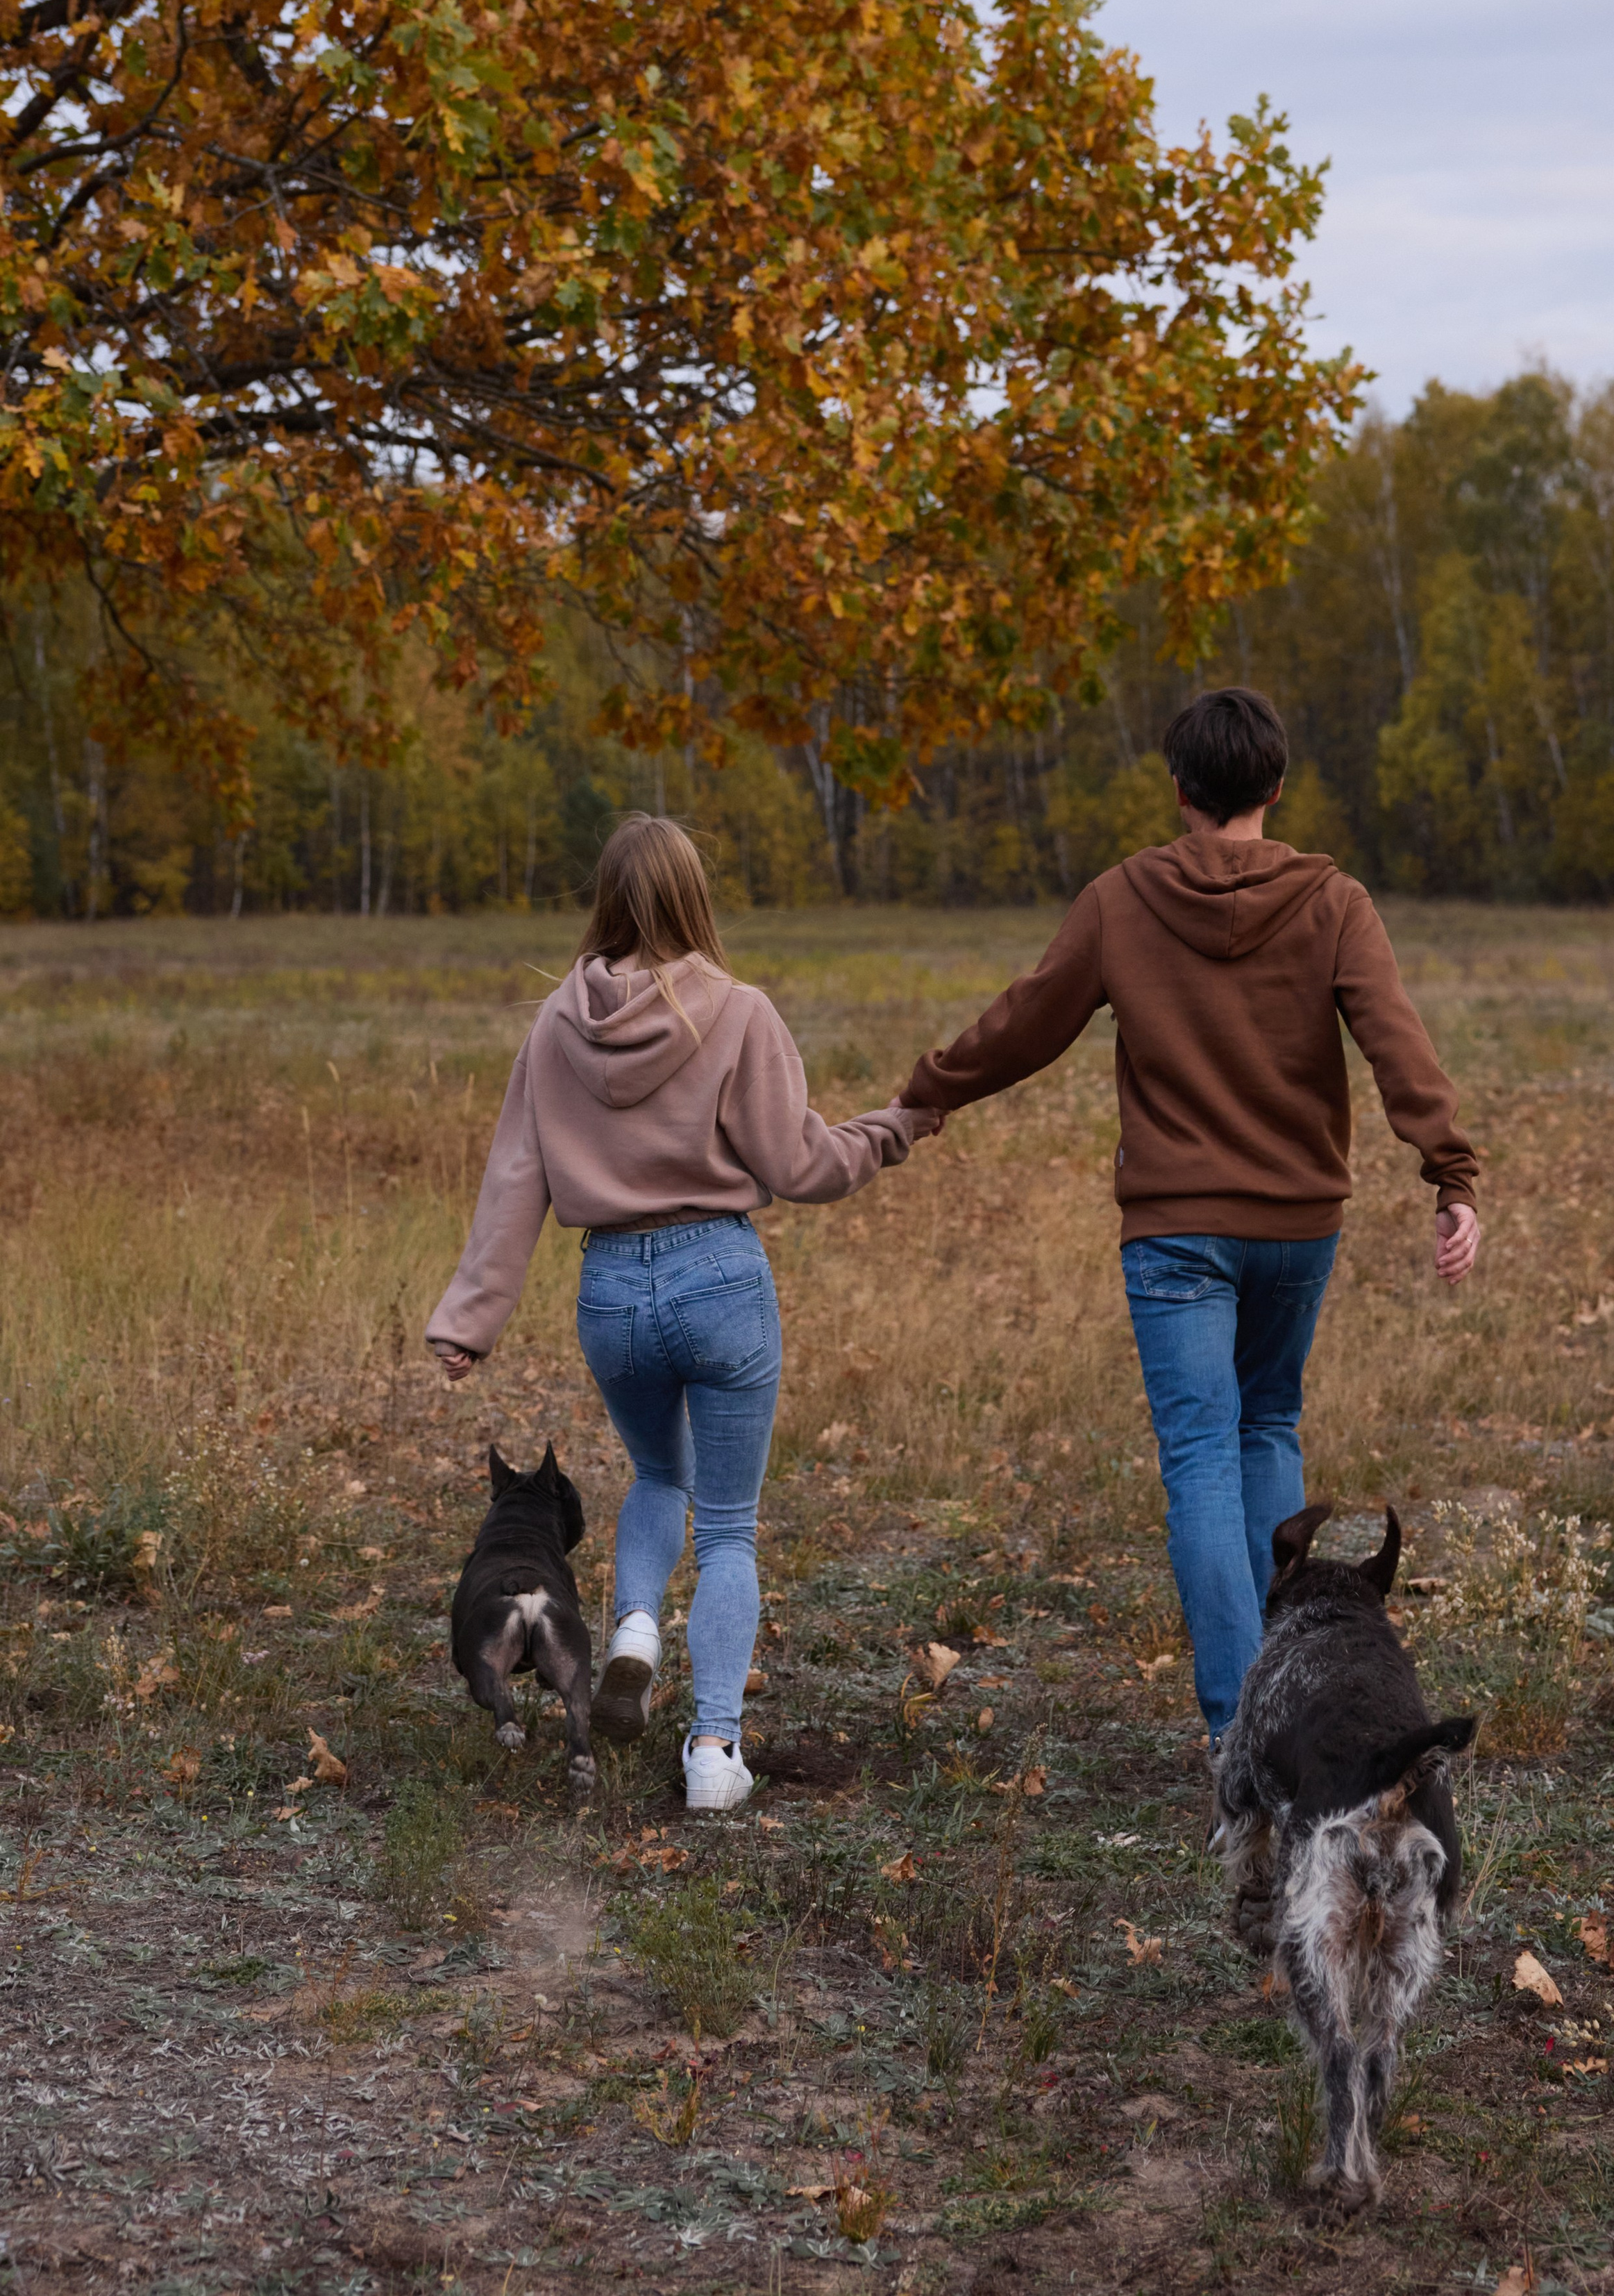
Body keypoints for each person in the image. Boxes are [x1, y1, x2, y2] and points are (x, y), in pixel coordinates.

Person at [897, 688, 1480, 1747]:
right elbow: (1398, 1042)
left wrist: (930, 1089)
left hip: (1175, 1233)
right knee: (1267, 1428)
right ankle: (1294, 1714)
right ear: (1277, 786)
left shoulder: (1123, 900)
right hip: (1300, 1224)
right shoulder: (1335, 900)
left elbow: (1028, 1023)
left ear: (1179, 790)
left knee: (1205, 1457)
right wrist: (1452, 1176)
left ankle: (1237, 1733)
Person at [427, 812, 940, 1811]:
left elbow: (513, 1179)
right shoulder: (738, 1011)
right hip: (718, 1277)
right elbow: (799, 1166)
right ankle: (713, 1754)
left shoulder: (555, 1024)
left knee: (661, 1474)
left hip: (610, 1289)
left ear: (606, 901)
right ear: (693, 896)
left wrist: (468, 1321)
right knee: (733, 1528)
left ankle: (630, 1633)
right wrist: (896, 1128)